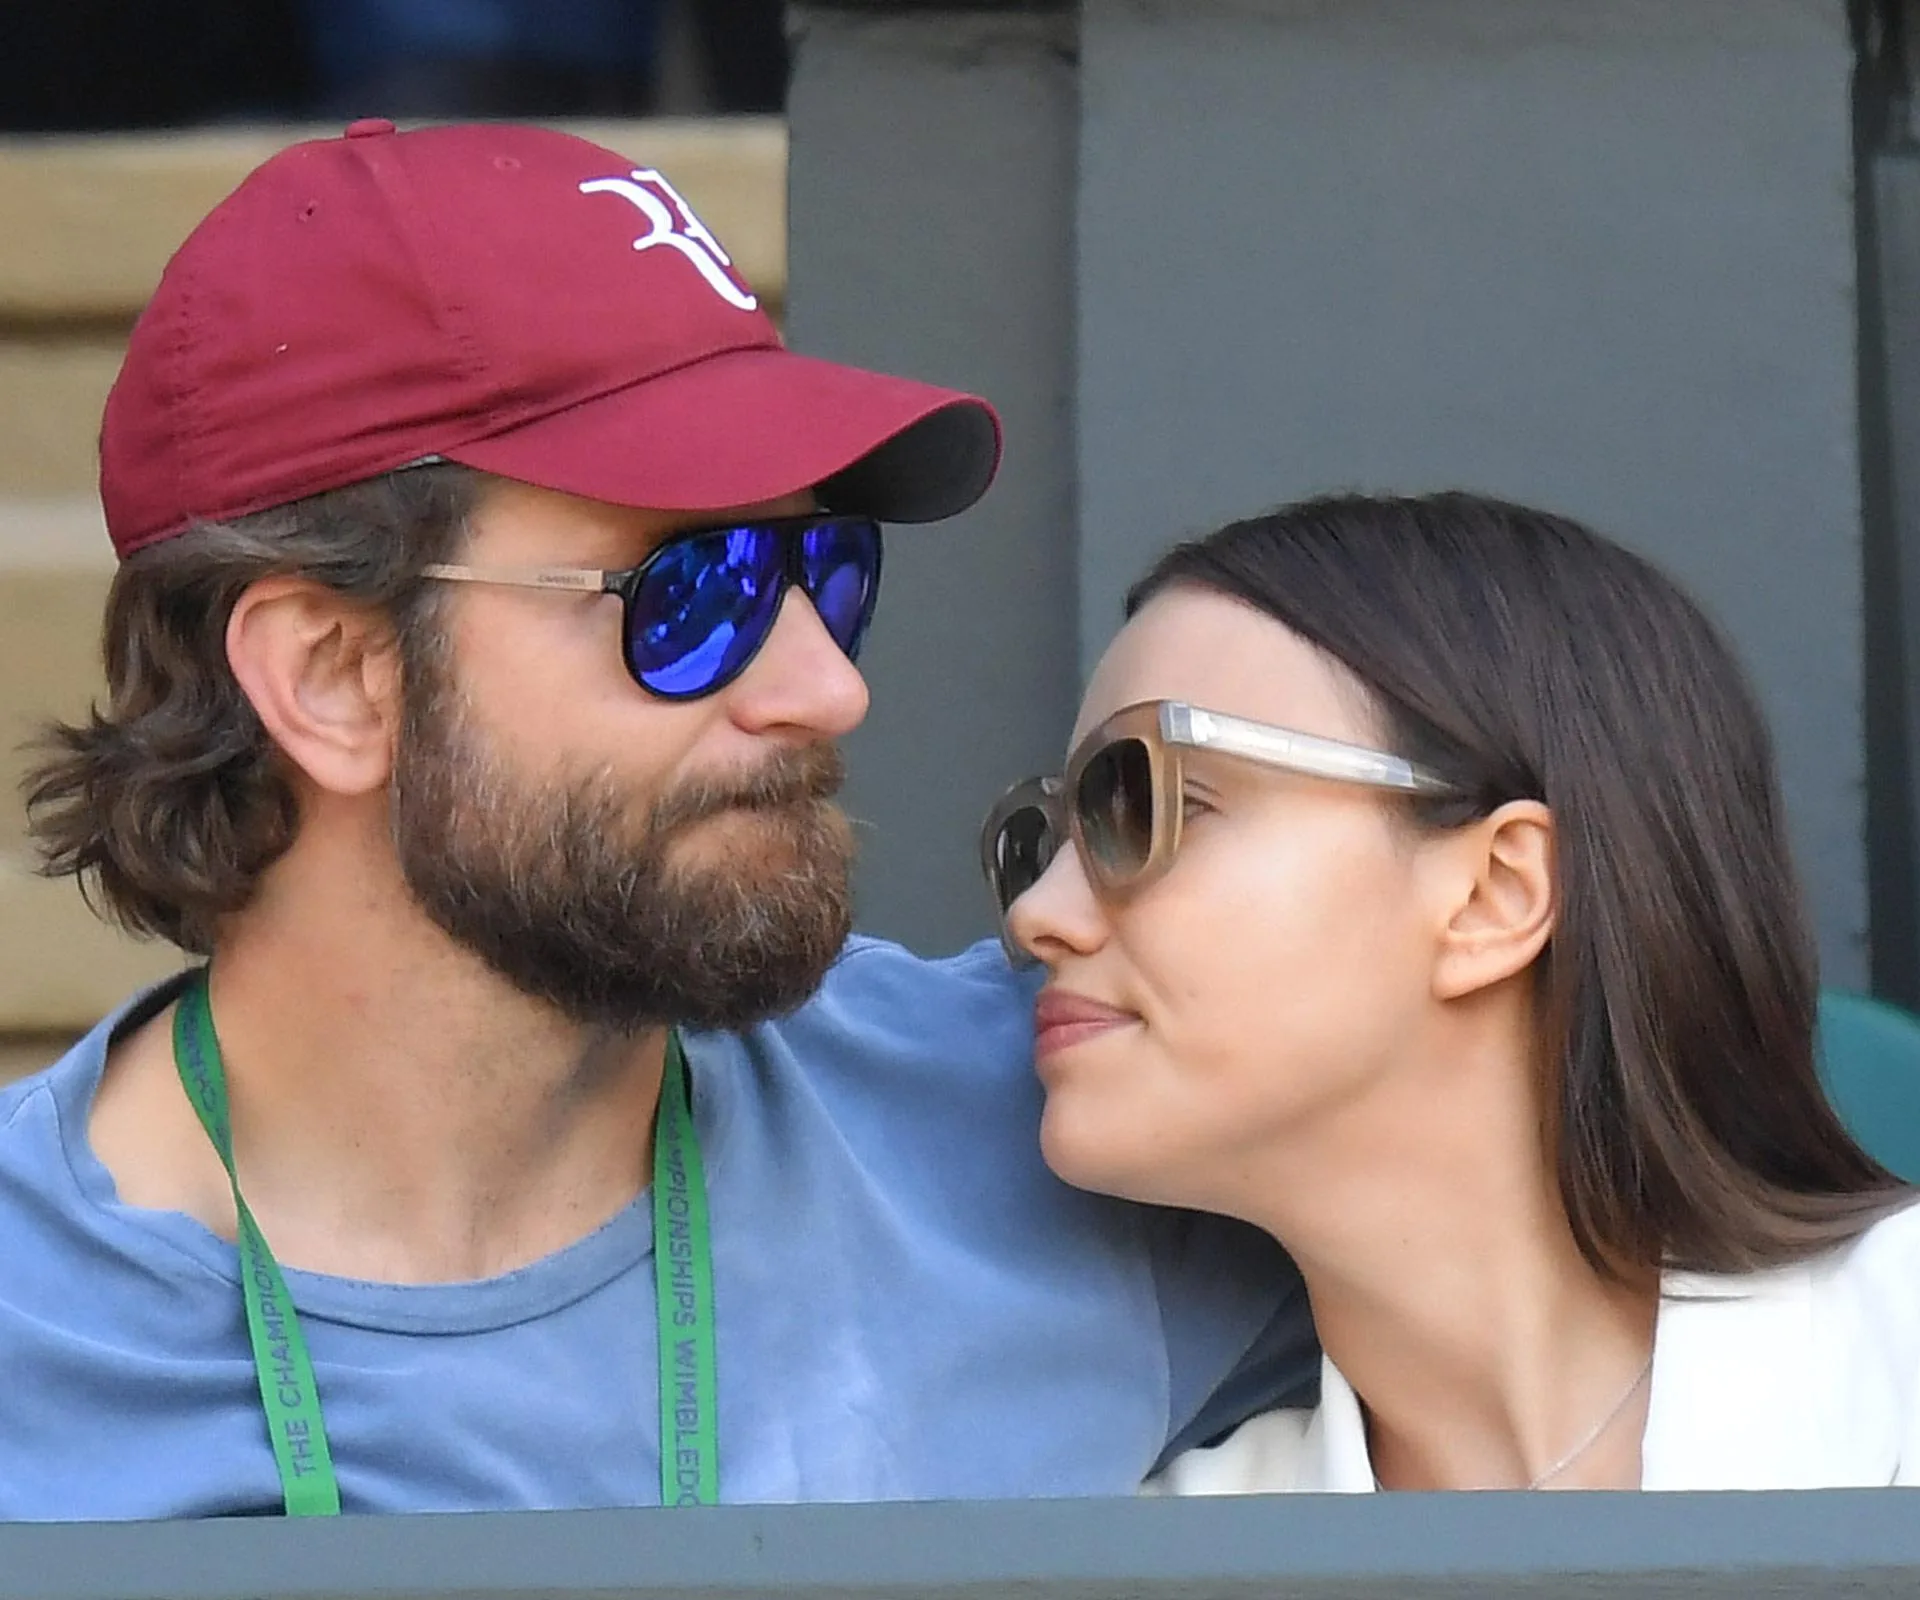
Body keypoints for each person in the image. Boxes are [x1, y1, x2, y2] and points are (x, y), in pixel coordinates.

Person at [0, 121, 1312, 1520]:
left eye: (828, 570)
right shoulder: (43, 1346)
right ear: (331, 677)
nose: (827, 685)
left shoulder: (1075, 1124)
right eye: (698, 590)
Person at [983, 491, 1920, 1493]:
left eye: (1149, 800)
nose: (1040, 912)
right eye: (1046, 838)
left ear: (1494, 893)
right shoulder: (1171, 1556)